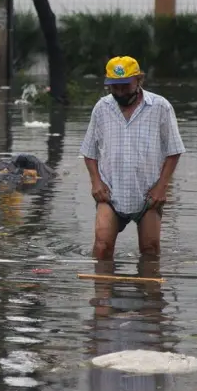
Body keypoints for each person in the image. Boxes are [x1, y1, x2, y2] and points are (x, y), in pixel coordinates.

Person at [79, 56, 185, 259]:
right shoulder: (102, 108)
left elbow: (174, 150)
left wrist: (162, 186)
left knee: (150, 251)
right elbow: (89, 152)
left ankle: (148, 288)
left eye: (125, 86)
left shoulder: (160, 107)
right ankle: (102, 288)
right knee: (102, 248)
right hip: (111, 193)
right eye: (114, 87)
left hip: (148, 195)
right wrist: (96, 182)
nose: (119, 92)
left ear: (139, 80)